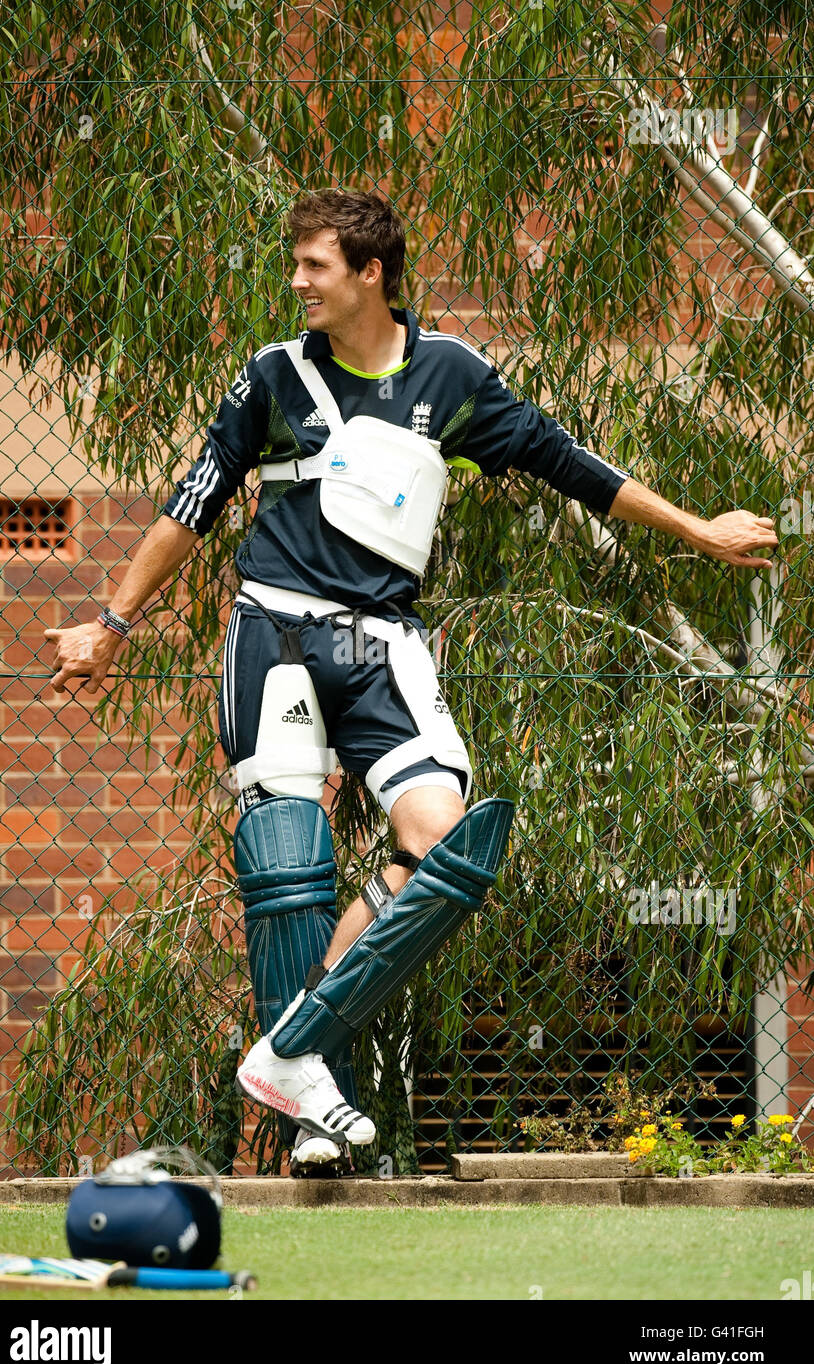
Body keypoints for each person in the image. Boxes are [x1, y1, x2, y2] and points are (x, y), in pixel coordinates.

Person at [45, 188, 779, 1177]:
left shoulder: (451, 375)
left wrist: (696, 529)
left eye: (313, 265)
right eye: (295, 263)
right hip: (275, 631)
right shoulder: (272, 378)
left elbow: (570, 465)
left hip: (382, 643)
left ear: (368, 272)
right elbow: (194, 500)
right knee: (286, 864)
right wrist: (113, 623)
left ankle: (289, 1048)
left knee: (443, 841)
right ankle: (314, 1110)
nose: (295, 281)